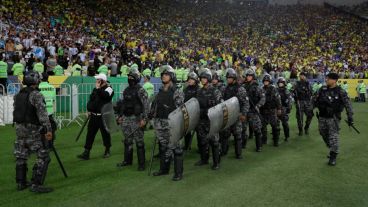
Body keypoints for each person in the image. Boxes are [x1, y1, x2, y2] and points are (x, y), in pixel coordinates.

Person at [13, 71, 53, 193]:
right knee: (43, 155)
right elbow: (42, 114)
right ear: (36, 81)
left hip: (19, 128)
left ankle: (21, 182)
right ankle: (36, 184)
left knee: (21, 155)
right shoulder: (36, 95)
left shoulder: (18, 95)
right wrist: (48, 129)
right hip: (32, 129)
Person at [150, 65, 185, 181]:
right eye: (162, 75)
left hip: (172, 123)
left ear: (171, 76)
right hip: (160, 122)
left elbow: (180, 109)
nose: (163, 76)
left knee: (176, 148)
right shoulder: (160, 90)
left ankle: (178, 173)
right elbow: (155, 105)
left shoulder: (177, 91)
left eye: (166, 74)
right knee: (163, 147)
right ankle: (164, 170)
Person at [314, 73, 354, 166]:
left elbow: (348, 104)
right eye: (326, 78)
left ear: (334, 80)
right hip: (322, 117)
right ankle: (331, 147)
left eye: (328, 78)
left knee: (333, 136)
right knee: (322, 132)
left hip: (333, 118)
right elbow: (314, 99)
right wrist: (310, 109)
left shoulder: (340, 91)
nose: (326, 80)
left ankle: (333, 156)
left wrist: (350, 116)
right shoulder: (322, 89)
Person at [116, 69, 149, 171]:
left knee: (139, 142)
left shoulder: (141, 90)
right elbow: (123, 105)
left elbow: (146, 105)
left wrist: (145, 119)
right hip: (126, 118)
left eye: (132, 77)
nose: (130, 79)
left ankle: (141, 164)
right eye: (129, 77)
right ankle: (127, 161)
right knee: (127, 141)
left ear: (137, 78)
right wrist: (120, 116)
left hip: (137, 118)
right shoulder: (126, 90)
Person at [77, 73, 114, 160]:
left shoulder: (109, 89)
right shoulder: (95, 89)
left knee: (105, 134)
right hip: (94, 116)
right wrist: (89, 109)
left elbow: (106, 96)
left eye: (98, 80)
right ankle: (86, 152)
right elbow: (91, 100)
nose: (96, 81)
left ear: (102, 81)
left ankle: (107, 150)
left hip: (104, 117)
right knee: (90, 134)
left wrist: (98, 89)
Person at [195, 69, 222, 169]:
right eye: (201, 78)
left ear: (209, 79)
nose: (202, 80)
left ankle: (216, 163)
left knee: (214, 142)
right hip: (202, 120)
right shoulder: (199, 91)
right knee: (202, 141)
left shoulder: (215, 91)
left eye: (204, 78)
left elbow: (219, 106)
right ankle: (204, 159)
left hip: (212, 120)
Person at [221, 68, 249, 158]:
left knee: (237, 135)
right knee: (225, 134)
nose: (228, 79)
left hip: (237, 115)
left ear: (234, 78)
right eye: (227, 78)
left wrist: (243, 114)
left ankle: (238, 154)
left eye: (229, 78)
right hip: (227, 115)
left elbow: (245, 103)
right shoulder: (225, 89)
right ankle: (224, 151)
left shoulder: (240, 89)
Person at [243, 69, 265, 152]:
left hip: (253, 110)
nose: (248, 77)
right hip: (245, 111)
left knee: (257, 129)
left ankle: (259, 146)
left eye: (250, 76)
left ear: (253, 77)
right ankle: (242, 145)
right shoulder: (244, 86)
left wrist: (258, 105)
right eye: (247, 76)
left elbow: (263, 97)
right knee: (243, 129)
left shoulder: (257, 87)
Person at [260, 74, 282, 146]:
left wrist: (279, 108)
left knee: (274, 126)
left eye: (267, 81)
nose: (266, 82)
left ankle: (276, 141)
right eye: (265, 81)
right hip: (263, 110)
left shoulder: (273, 88)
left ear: (269, 81)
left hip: (272, 110)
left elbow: (277, 99)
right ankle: (264, 140)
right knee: (263, 126)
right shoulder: (261, 89)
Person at [183, 71, 200, 150]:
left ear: (196, 80)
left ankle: (201, 147)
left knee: (199, 131)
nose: (189, 80)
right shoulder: (186, 89)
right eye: (189, 79)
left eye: (192, 79)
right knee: (186, 130)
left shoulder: (199, 89)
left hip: (196, 113)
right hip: (187, 112)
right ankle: (187, 146)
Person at [293, 72, 314, 136]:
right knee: (299, 117)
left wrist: (306, 91)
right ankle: (300, 130)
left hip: (307, 101)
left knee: (310, 115)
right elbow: (293, 91)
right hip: (300, 101)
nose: (302, 77)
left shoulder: (308, 83)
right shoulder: (297, 83)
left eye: (303, 76)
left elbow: (311, 92)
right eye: (301, 76)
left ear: (305, 76)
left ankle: (306, 127)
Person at [277, 77, 292, 141]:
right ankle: (276, 135)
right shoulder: (276, 90)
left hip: (284, 108)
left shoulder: (286, 91)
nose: (280, 84)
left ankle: (287, 136)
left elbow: (289, 100)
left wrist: (289, 108)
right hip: (277, 108)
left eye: (281, 83)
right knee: (276, 123)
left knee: (285, 123)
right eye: (279, 83)